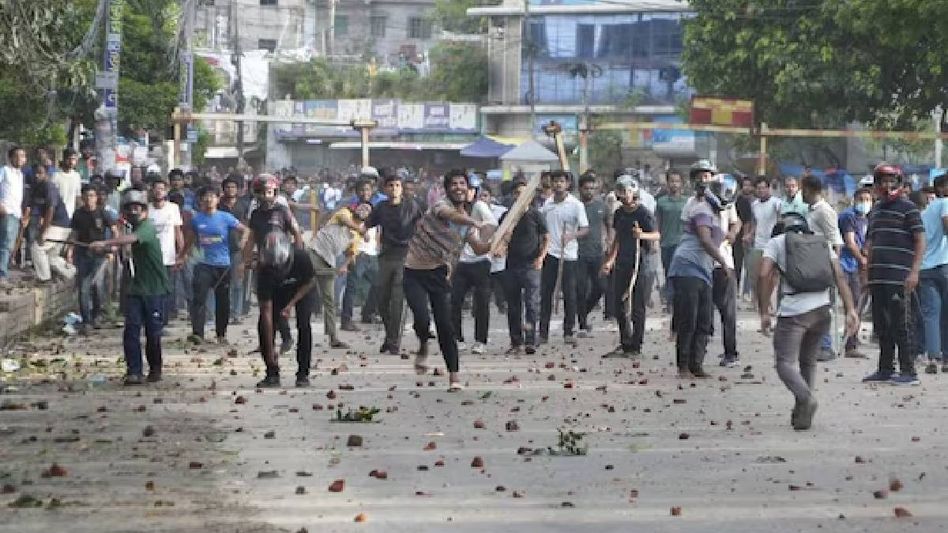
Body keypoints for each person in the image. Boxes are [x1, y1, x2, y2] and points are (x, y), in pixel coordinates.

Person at [757, 212, 859, 430]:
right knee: (808, 361)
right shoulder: (821, 242)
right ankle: (803, 412)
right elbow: (839, 275)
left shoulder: (777, 242)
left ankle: (806, 398)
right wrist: (850, 309)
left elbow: (764, 274)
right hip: (822, 310)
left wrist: (764, 310)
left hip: (794, 312)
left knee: (784, 363)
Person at [403, 170, 491, 391]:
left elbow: (479, 248)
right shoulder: (440, 206)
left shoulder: (468, 224)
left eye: (462, 184)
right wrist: (476, 222)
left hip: (440, 274)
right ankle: (423, 343)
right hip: (413, 272)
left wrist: (497, 243)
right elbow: (451, 216)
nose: (459, 188)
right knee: (422, 319)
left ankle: (454, 376)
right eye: (454, 184)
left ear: (469, 189)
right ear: (447, 188)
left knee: (445, 325)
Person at [90, 190, 170, 385]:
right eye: (130, 208)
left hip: (154, 289)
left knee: (153, 333)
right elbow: (123, 246)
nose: (134, 211)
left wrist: (105, 241)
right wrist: (105, 248)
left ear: (144, 210)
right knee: (131, 330)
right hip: (136, 288)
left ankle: (155, 368)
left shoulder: (147, 227)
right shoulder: (131, 229)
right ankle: (134, 371)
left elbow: (132, 239)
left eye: (137, 207)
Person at [862, 163, 926, 386]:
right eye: (883, 181)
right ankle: (885, 369)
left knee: (902, 325)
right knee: (881, 326)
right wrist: (866, 276)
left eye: (891, 181)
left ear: (899, 183)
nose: (887, 186)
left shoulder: (909, 209)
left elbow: (920, 241)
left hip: (900, 278)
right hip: (878, 277)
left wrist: (914, 272)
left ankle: (909, 372)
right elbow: (870, 244)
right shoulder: (876, 211)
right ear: (877, 184)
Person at [667, 162, 732, 379]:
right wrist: (722, 261)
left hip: (703, 270)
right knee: (689, 318)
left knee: (705, 320)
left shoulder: (715, 213)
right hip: (687, 267)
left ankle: (697, 364)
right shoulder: (701, 209)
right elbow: (704, 240)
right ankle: (683, 365)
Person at [242, 175, 304, 360]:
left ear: (275, 192)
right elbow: (251, 239)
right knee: (265, 308)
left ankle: (284, 339)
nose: (265, 196)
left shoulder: (283, 211)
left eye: (268, 192)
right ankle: (268, 346)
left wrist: (299, 258)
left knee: (280, 306)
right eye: (261, 192)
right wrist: (245, 261)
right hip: (263, 265)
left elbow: (296, 234)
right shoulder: (255, 215)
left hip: (284, 264)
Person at [177, 186, 248, 344]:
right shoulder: (196, 219)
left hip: (223, 265)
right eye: (206, 197)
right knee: (199, 299)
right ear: (201, 200)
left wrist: (243, 242)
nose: (209, 200)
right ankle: (198, 334)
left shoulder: (226, 217)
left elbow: (246, 230)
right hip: (203, 264)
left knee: (223, 301)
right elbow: (189, 240)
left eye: (212, 197)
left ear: (217, 199)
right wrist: (181, 257)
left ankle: (221, 335)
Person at [366, 171, 425, 355]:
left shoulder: (412, 206)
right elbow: (367, 223)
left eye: (397, 185)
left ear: (402, 188)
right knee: (382, 299)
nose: (394, 189)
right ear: (385, 188)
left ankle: (393, 341)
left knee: (397, 300)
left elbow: (424, 226)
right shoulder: (381, 207)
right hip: (385, 256)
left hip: (405, 256)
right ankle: (389, 336)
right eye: (390, 185)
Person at [600, 178, 659, 358]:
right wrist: (610, 260)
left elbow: (656, 235)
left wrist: (642, 235)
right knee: (619, 304)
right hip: (622, 262)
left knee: (637, 307)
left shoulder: (644, 213)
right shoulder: (619, 213)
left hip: (640, 263)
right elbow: (618, 238)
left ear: (634, 192)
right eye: (620, 191)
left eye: (626, 191)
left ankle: (636, 345)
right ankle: (625, 342)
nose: (623, 195)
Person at [250, 232, 314, 387]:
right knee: (263, 327)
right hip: (277, 292)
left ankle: (303, 373)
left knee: (304, 325)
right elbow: (266, 311)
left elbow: (310, 282)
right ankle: (272, 372)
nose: (277, 266)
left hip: (301, 290)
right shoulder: (264, 271)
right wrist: (271, 354)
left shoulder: (301, 258)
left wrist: (291, 305)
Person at [496, 176, 548, 355]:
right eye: (517, 193)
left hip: (531, 264)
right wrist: (500, 248)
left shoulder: (535, 214)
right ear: (512, 195)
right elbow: (500, 238)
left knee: (532, 304)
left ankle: (531, 340)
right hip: (511, 265)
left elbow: (546, 237)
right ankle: (516, 341)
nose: (520, 196)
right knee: (513, 305)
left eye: (524, 193)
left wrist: (541, 257)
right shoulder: (506, 216)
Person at [310, 202, 373, 350]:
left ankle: (333, 337)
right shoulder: (344, 213)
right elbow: (346, 222)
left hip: (329, 262)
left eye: (367, 210)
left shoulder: (356, 237)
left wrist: (344, 266)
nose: (363, 210)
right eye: (362, 207)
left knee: (330, 301)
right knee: (302, 289)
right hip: (314, 252)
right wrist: (363, 231)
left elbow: (352, 254)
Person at [539, 170, 589, 346]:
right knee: (546, 294)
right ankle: (542, 333)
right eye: (555, 181)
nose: (558, 184)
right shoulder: (547, 204)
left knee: (570, 294)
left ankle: (568, 331)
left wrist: (571, 236)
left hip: (568, 255)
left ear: (567, 184)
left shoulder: (576, 205)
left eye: (561, 181)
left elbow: (585, 228)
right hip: (550, 253)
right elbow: (542, 226)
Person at [450, 176, 498, 354]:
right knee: (454, 300)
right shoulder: (452, 208)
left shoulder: (479, 206)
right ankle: (457, 337)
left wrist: (481, 239)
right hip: (460, 261)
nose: (465, 192)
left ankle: (480, 340)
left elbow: (492, 224)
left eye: (470, 189)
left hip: (480, 261)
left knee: (482, 302)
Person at [800, 174, 845, 361]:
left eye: (803, 190)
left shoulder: (824, 211)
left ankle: (826, 346)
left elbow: (835, 241)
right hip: (811, 264)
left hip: (824, 265)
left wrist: (832, 269)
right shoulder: (810, 210)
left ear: (809, 190)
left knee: (823, 306)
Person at [68, 184, 119, 334]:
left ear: (96, 198)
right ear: (82, 198)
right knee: (83, 287)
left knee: (97, 286)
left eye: (92, 196)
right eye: (86, 196)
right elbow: (74, 234)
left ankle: (96, 315)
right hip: (82, 254)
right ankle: (87, 320)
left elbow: (115, 231)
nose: (89, 199)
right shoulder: (78, 214)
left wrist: (112, 248)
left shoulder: (103, 213)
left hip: (100, 255)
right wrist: (70, 250)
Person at [837, 187, 873, 358]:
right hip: (847, 265)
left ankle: (851, 339)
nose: (865, 203)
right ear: (855, 199)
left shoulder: (865, 218)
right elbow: (850, 243)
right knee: (852, 304)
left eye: (868, 199)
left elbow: (864, 241)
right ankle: (849, 343)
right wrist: (862, 260)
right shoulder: (849, 216)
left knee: (858, 303)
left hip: (857, 265)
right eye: (862, 199)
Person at [25, 166, 77, 283]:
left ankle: (44, 278)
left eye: (40, 173)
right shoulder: (36, 187)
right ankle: (72, 273)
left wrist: (43, 233)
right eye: (35, 173)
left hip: (60, 225)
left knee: (37, 248)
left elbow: (50, 210)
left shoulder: (49, 186)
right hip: (56, 225)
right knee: (51, 258)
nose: (37, 175)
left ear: (47, 174)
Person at [918, 173, 948, 374]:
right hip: (944, 266)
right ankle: (946, 359)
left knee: (931, 315)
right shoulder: (946, 202)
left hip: (925, 267)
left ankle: (933, 357)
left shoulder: (926, 211)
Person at [743, 176, 782, 317]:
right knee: (756, 276)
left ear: (768, 188)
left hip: (772, 245)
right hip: (758, 244)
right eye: (758, 188)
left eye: (763, 188)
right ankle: (761, 303)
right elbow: (755, 223)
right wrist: (749, 235)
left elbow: (781, 219)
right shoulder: (754, 205)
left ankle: (769, 304)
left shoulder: (776, 203)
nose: (761, 191)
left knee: (771, 276)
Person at [576, 173, 609, 335]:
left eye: (593, 188)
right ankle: (582, 323)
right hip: (578, 253)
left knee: (601, 287)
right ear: (580, 189)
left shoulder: (601, 206)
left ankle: (583, 313)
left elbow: (610, 225)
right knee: (581, 289)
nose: (590, 191)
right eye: (586, 188)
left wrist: (610, 242)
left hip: (597, 253)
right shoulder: (575, 206)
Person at [148, 177, 184, 323]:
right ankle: (153, 317)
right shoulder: (146, 209)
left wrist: (182, 253)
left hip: (168, 256)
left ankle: (164, 317)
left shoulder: (173, 208)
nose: (158, 191)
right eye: (156, 188)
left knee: (167, 289)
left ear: (166, 191)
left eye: (161, 189)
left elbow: (178, 232)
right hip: (150, 257)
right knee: (152, 290)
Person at [219, 175, 252, 322]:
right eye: (227, 187)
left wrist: (246, 243)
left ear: (238, 190)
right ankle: (222, 312)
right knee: (221, 282)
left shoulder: (244, 205)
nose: (230, 189)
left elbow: (249, 226)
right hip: (220, 248)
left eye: (233, 187)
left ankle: (237, 313)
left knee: (238, 282)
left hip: (238, 248)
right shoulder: (218, 205)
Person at [655, 171, 688, 310]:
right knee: (669, 272)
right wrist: (655, 241)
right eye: (672, 181)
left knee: (683, 274)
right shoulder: (661, 202)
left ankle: (681, 301)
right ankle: (670, 301)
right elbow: (657, 223)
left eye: (677, 181)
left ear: (682, 183)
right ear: (667, 183)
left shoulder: (687, 201)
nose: (674, 184)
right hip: (667, 243)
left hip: (683, 244)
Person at [0, 147, 26, 285]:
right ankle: (2, 274)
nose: (21, 159)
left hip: (16, 212)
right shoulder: (4, 171)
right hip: (6, 211)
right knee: (5, 243)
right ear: (11, 158)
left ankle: (4, 271)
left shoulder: (20, 175)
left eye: (23, 156)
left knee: (10, 244)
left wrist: (22, 214)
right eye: (18, 156)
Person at [733, 176, 756, 300]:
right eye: (744, 185)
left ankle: (747, 292)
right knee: (736, 264)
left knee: (747, 266)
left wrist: (746, 236)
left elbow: (747, 221)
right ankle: (736, 290)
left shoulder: (751, 201)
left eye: (749, 185)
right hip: (735, 237)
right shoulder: (735, 199)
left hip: (746, 237)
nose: (746, 187)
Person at [53, 148, 82, 220]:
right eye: (69, 159)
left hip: (71, 216)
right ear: (64, 159)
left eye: (74, 159)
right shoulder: (56, 176)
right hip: (57, 216)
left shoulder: (77, 176)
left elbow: (77, 197)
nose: (72, 162)